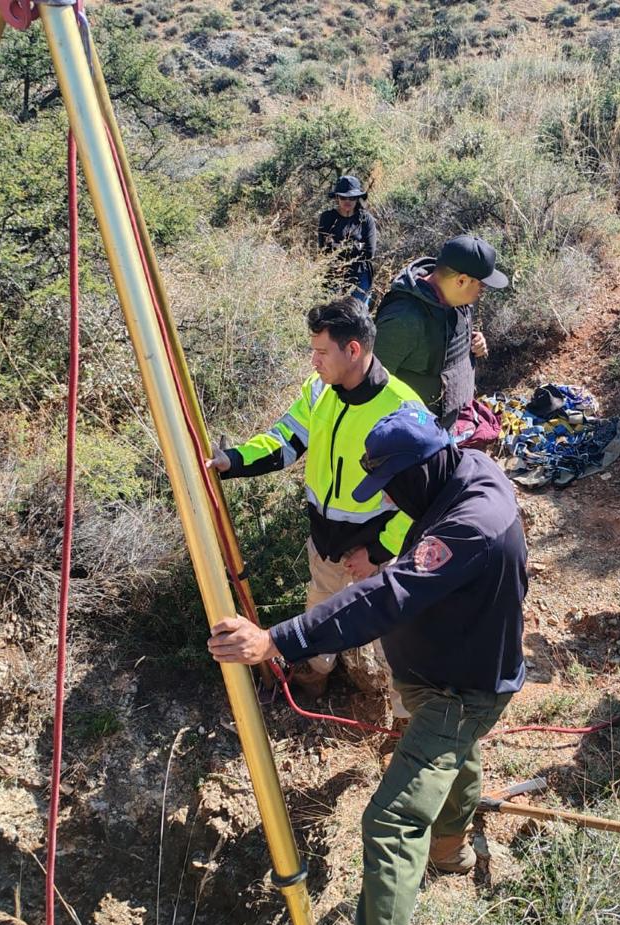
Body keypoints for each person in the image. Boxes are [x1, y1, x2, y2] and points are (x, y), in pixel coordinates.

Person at [208, 407, 527, 925]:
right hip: (448, 675)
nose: (388, 499)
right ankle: (450, 852)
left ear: (423, 466)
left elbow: (387, 596)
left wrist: (275, 640)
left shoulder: (471, 521)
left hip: (462, 691)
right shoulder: (464, 468)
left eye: (391, 486)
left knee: (392, 820)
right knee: (456, 758)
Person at [206, 298, 423, 712]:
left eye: (321, 351)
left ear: (353, 350)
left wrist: (377, 553)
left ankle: (406, 722)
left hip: (378, 553)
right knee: (319, 612)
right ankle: (313, 678)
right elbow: (285, 442)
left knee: (394, 637)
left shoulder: (401, 408)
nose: (313, 361)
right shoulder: (319, 390)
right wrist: (231, 460)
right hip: (326, 541)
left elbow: (423, 499)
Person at [374, 235, 507, 428]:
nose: (482, 292)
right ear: (461, 280)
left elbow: (444, 339)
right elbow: (374, 384)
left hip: (455, 424)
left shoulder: (455, 298)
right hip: (419, 435)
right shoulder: (403, 319)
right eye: (481, 285)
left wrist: (475, 342)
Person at [318, 175, 378, 305]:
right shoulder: (327, 218)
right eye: (343, 197)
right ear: (337, 197)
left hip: (360, 275)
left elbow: (370, 252)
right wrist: (357, 246)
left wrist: (338, 246)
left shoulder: (366, 219)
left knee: (358, 316)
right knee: (333, 314)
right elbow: (324, 250)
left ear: (357, 198)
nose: (348, 201)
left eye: (352, 197)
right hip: (333, 275)